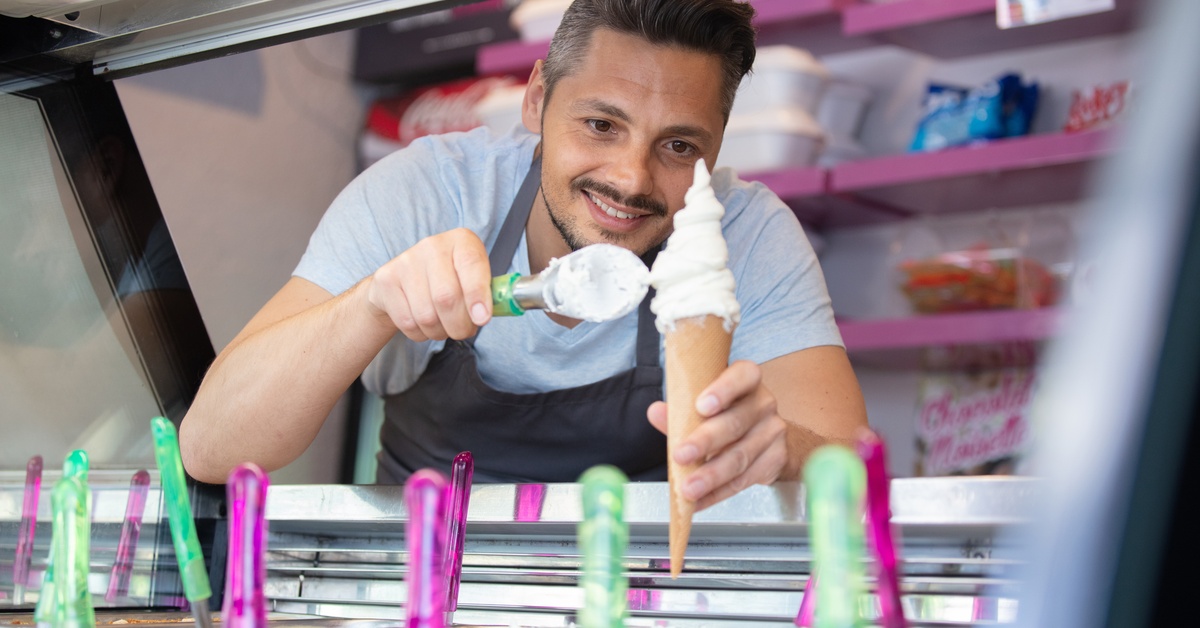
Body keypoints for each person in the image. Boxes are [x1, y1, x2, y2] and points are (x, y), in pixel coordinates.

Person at [180, 0, 868, 511]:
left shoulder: (746, 231)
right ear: (537, 99)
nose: (631, 179)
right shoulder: (427, 191)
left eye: (679, 146)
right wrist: (370, 305)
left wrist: (782, 447)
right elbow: (213, 448)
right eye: (601, 125)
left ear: (718, 146)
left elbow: (854, 468)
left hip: (632, 594)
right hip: (416, 586)